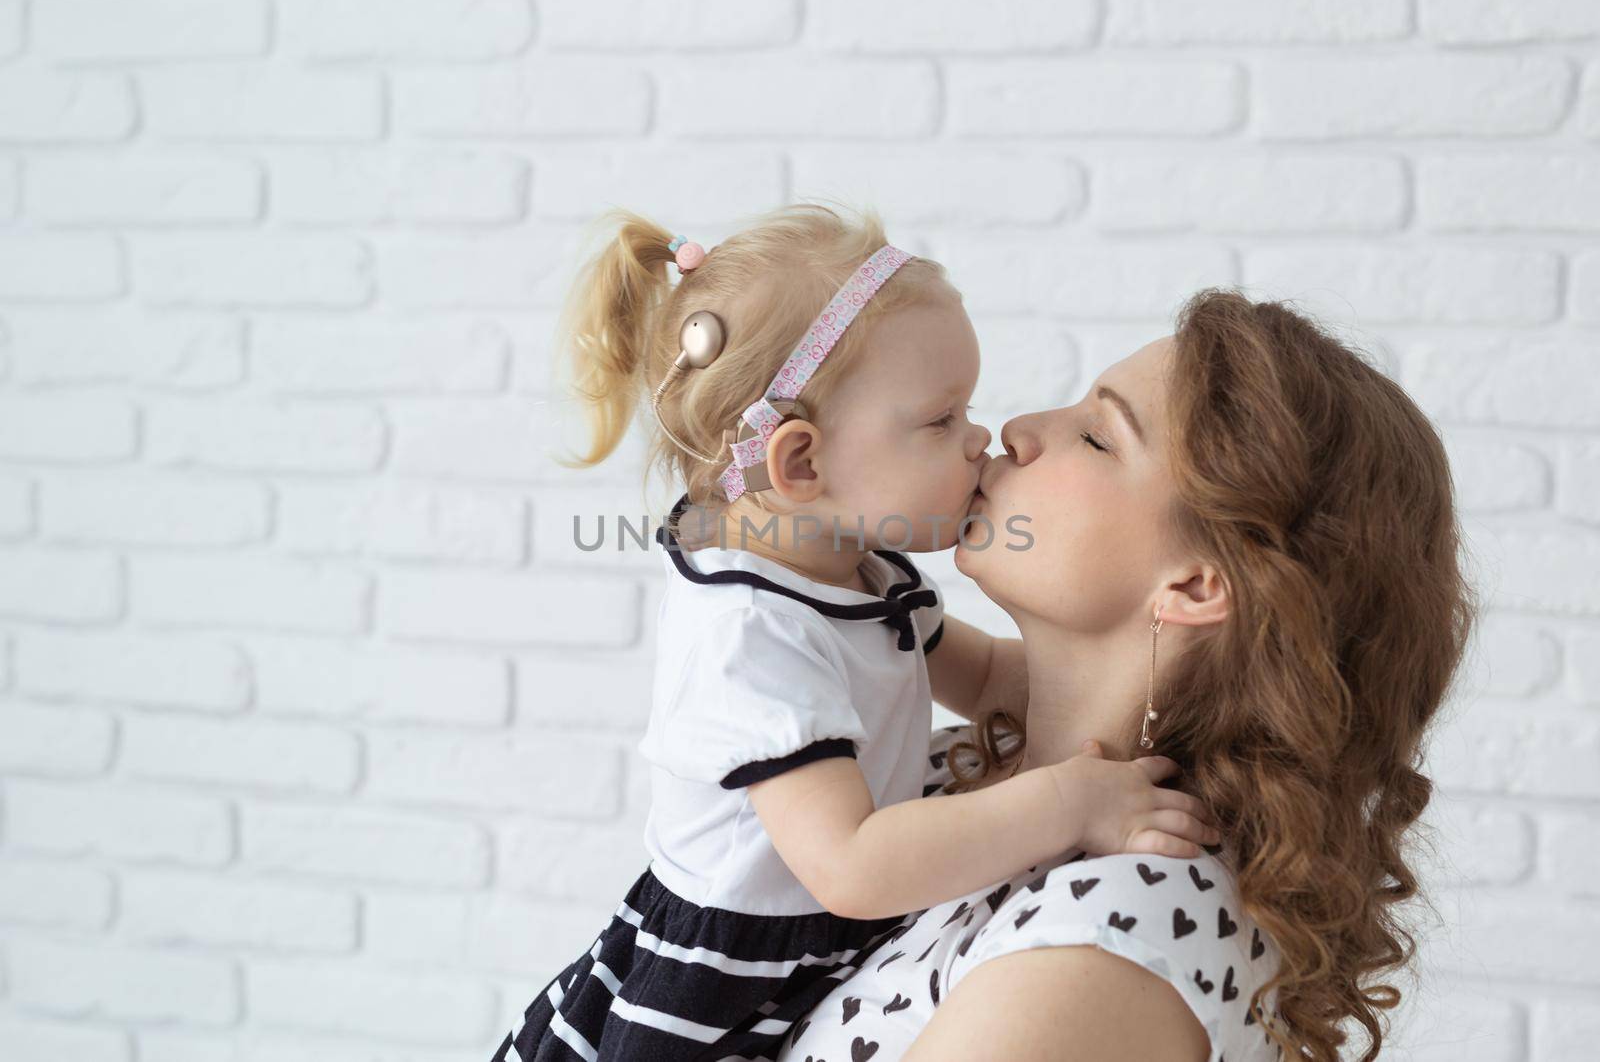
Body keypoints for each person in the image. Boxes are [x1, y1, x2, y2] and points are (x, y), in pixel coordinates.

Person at [492, 204, 1218, 1062]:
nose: (987, 437)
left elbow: (987, 677)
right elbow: (855, 864)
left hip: (804, 951)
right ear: (800, 463)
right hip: (719, 988)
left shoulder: (863, 573)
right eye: (941, 421)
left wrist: (1150, 678)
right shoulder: (752, 634)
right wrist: (1073, 800)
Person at [777, 289, 1476, 1062]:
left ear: (1198, 585)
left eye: (1098, 436)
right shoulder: (951, 774)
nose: (1017, 431)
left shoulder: (1118, 932)